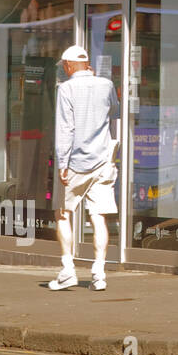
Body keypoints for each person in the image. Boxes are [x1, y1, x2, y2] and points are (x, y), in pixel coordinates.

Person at [48, 45, 120, 291]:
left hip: (76, 163)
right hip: (102, 161)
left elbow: (66, 128)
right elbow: (115, 112)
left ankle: (68, 269)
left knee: (63, 213)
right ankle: (99, 272)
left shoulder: (66, 89)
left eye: (64, 66)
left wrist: (62, 163)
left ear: (68, 65)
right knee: (98, 216)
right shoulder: (106, 85)